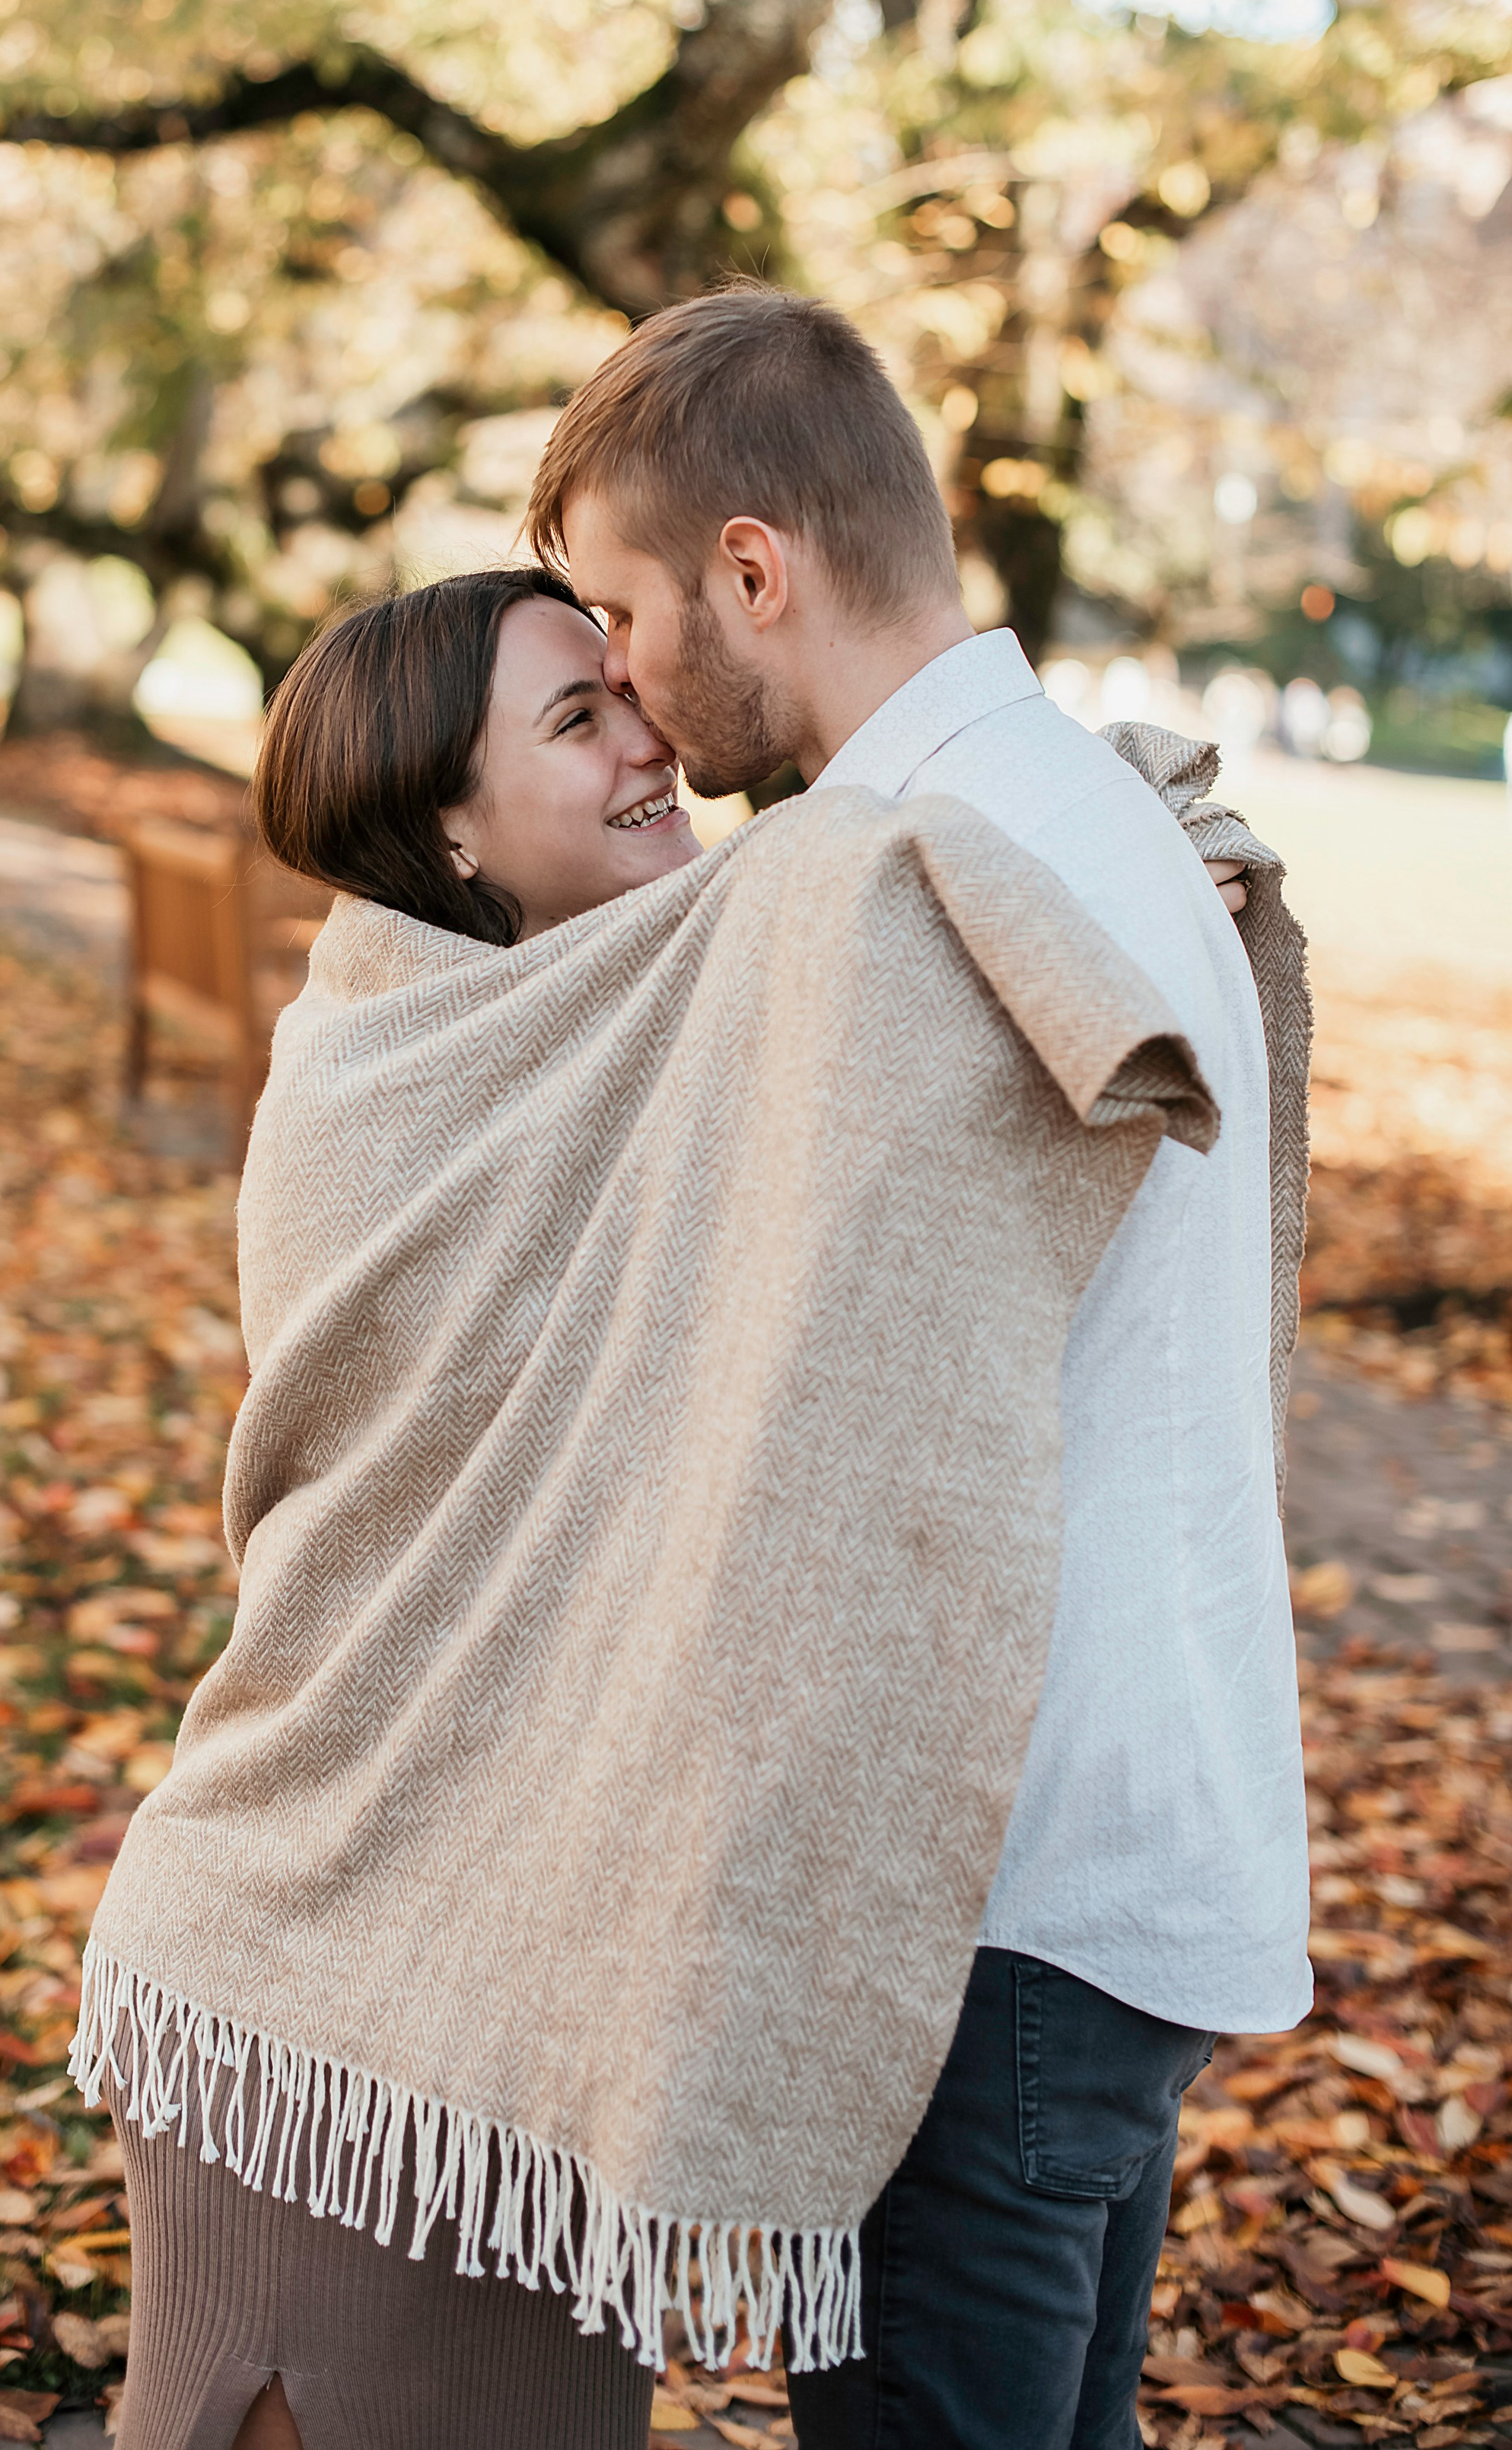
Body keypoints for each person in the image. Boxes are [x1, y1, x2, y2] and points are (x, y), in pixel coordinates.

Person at [72, 555, 1270, 2450]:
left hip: (512, 2014)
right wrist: (1034, 861)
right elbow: (846, 879)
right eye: (577, 716)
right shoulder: (388, 1067)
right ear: (447, 828)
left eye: (621, 684)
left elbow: (846, 990)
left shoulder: (642, 1000)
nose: (655, 737)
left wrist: (1094, 868)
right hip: (317, 1976)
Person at [523, 280, 1311, 2450]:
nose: (629, 691)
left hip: (997, 1890)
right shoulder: (1090, 818)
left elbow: (814, 1420)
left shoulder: (904, 881)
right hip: (1121, 1843)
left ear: (754, 568)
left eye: (624, 613)